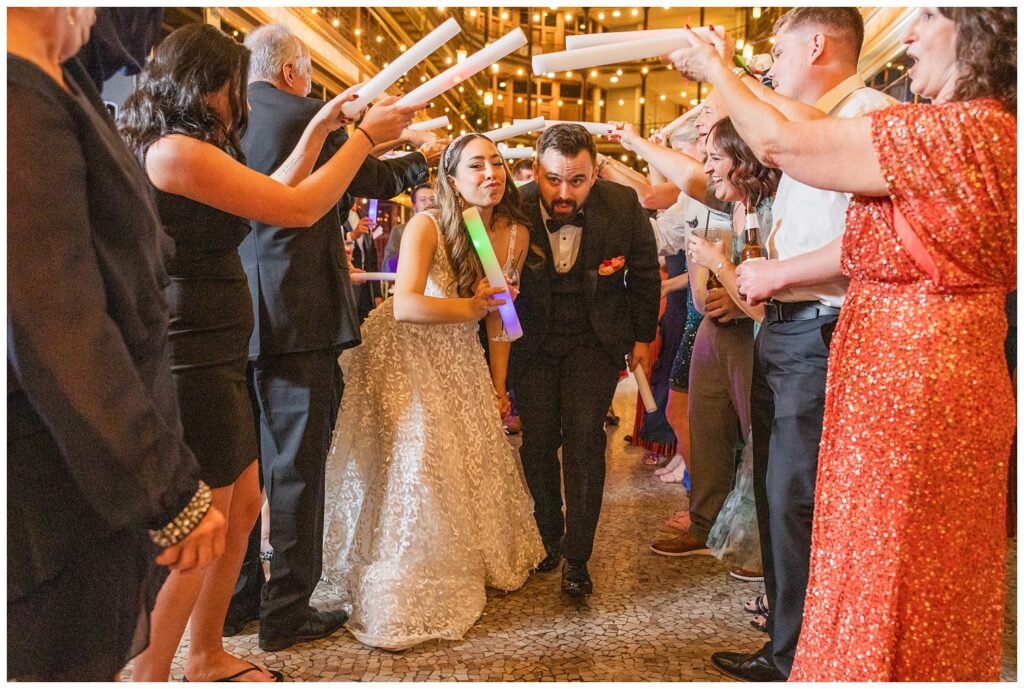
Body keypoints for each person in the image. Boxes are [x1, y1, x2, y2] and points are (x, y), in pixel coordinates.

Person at [671, 6, 1016, 681]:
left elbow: (785, 145)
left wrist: (716, 69)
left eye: (928, 18)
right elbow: (807, 131)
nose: (908, 34)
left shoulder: (961, 132)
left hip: (915, 389)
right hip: (906, 380)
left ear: (980, 32)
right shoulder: (966, 131)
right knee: (880, 567)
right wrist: (739, 78)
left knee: (894, 574)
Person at [118, 22, 418, 679]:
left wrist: (321, 128)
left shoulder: (189, 146)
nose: (243, 103)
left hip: (219, 346)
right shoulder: (172, 152)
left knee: (245, 503)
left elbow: (273, 191)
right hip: (189, 353)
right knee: (209, 522)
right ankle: (152, 669)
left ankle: (205, 651)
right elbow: (297, 206)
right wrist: (364, 137)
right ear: (204, 85)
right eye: (233, 87)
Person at [676, 9, 897, 681]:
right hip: (784, 327)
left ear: (816, 43)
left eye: (776, 49)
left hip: (825, 329)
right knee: (776, 494)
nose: (770, 63)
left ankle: (802, 655)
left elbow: (871, 246)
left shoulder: (866, 114)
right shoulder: (806, 125)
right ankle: (785, 637)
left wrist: (777, 274)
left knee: (798, 499)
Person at [8, 8, 225, 680]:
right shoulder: (18, 102)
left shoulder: (55, 79)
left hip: (73, 467)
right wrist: (165, 489)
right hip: (53, 473)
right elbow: (57, 322)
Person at [225, 23, 437, 652]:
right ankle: (285, 609)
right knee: (294, 467)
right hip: (299, 314)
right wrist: (421, 156)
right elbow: (372, 180)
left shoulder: (222, 116)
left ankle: (235, 599)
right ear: (294, 71)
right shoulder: (311, 118)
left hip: (232, 313)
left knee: (240, 468)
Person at [321, 133, 544, 650]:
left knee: (465, 451)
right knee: (416, 457)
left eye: (497, 164)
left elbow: (501, 321)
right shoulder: (426, 226)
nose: (491, 173)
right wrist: (470, 308)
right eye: (476, 165)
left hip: (459, 350)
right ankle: (398, 559)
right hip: (403, 350)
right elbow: (406, 306)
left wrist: (497, 384)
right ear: (451, 178)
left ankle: (470, 552)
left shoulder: (512, 235)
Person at [511, 124, 661, 595]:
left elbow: (642, 274)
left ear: (594, 173)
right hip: (530, 341)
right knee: (536, 443)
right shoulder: (512, 204)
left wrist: (642, 336)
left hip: (593, 342)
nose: (563, 192)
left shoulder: (622, 205)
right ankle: (549, 534)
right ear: (537, 170)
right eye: (554, 179)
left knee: (583, 444)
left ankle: (578, 557)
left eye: (576, 180)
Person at [382, 183, 438, 272]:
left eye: (432, 199)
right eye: (423, 200)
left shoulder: (446, 229)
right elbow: (386, 267)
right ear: (414, 206)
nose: (429, 203)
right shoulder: (400, 231)